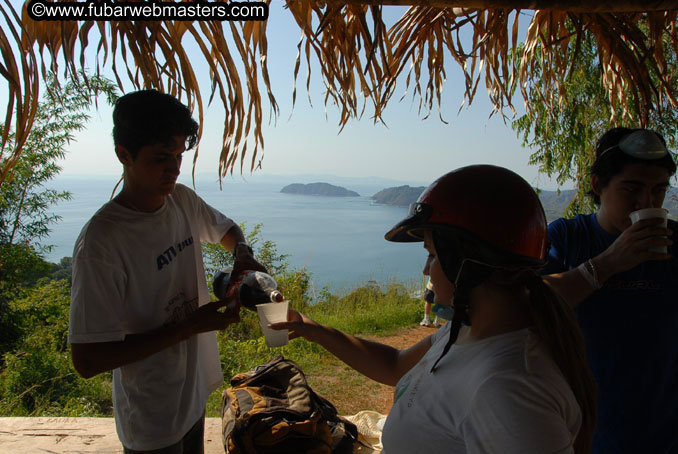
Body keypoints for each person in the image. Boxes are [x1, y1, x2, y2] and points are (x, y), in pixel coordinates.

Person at [271, 165, 597, 454]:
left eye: (431, 254)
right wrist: (313, 329)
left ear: (466, 261)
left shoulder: (507, 389)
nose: (426, 270)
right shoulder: (468, 332)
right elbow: (395, 364)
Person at [68, 89, 266, 453]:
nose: (175, 168)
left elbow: (226, 230)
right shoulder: (103, 241)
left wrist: (242, 253)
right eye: (161, 158)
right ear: (123, 155)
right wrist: (191, 326)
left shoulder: (181, 200)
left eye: (178, 155)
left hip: (191, 398)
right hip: (150, 418)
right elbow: (87, 359)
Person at [542, 127, 677, 454]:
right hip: (582, 431)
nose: (646, 202)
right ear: (597, 185)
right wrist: (608, 263)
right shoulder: (568, 238)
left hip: (665, 431)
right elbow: (529, 306)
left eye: (659, 191)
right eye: (632, 188)